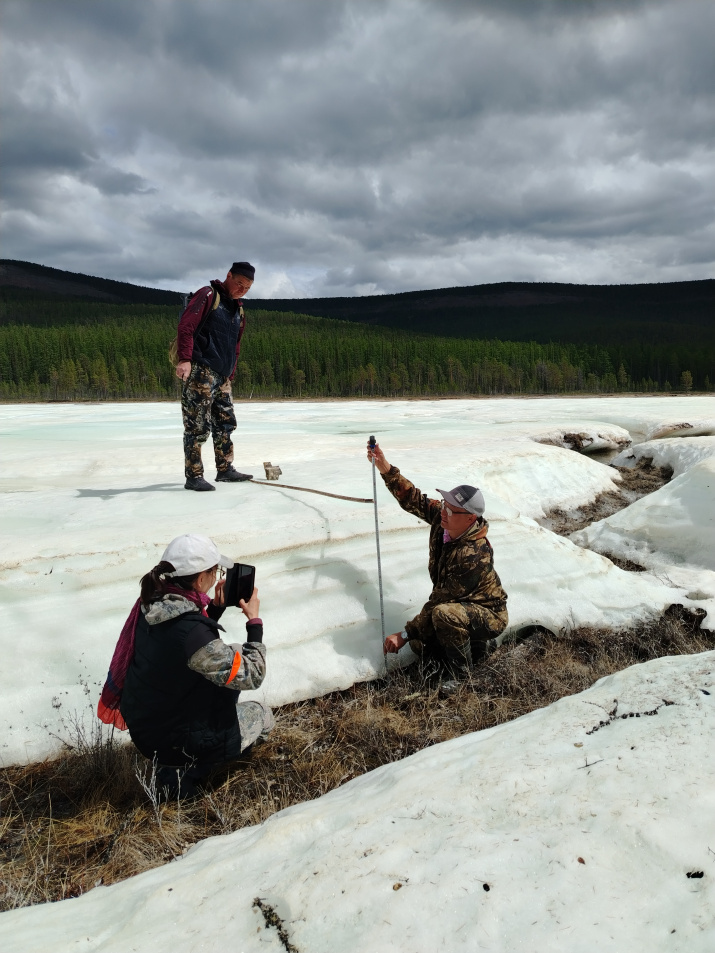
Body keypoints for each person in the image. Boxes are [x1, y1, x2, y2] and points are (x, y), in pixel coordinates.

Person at [99, 534, 274, 798]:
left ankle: (181, 760)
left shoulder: (152, 603)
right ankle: (189, 769)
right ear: (201, 577)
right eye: (215, 571)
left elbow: (183, 648)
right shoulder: (193, 634)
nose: (217, 577)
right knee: (262, 713)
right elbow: (252, 674)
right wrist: (254, 624)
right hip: (175, 740)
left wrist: (213, 610)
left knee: (231, 655)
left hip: (146, 728)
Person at [367, 441, 508, 689]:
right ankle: (475, 647)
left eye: (452, 510)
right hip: (460, 606)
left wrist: (404, 634)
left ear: (470, 518)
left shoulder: (473, 554)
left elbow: (440, 602)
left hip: (488, 614)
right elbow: (414, 499)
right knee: (421, 645)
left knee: (443, 616)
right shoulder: (444, 520)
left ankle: (462, 675)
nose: (443, 512)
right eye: (444, 504)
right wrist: (385, 467)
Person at [176, 262, 255, 492]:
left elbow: (236, 346)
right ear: (228, 276)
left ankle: (225, 469)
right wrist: (184, 359)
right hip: (201, 370)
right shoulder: (208, 295)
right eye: (239, 283)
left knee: (225, 423)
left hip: (222, 377)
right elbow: (186, 326)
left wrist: (230, 373)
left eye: (247, 287)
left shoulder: (238, 310)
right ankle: (194, 475)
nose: (242, 289)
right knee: (196, 424)